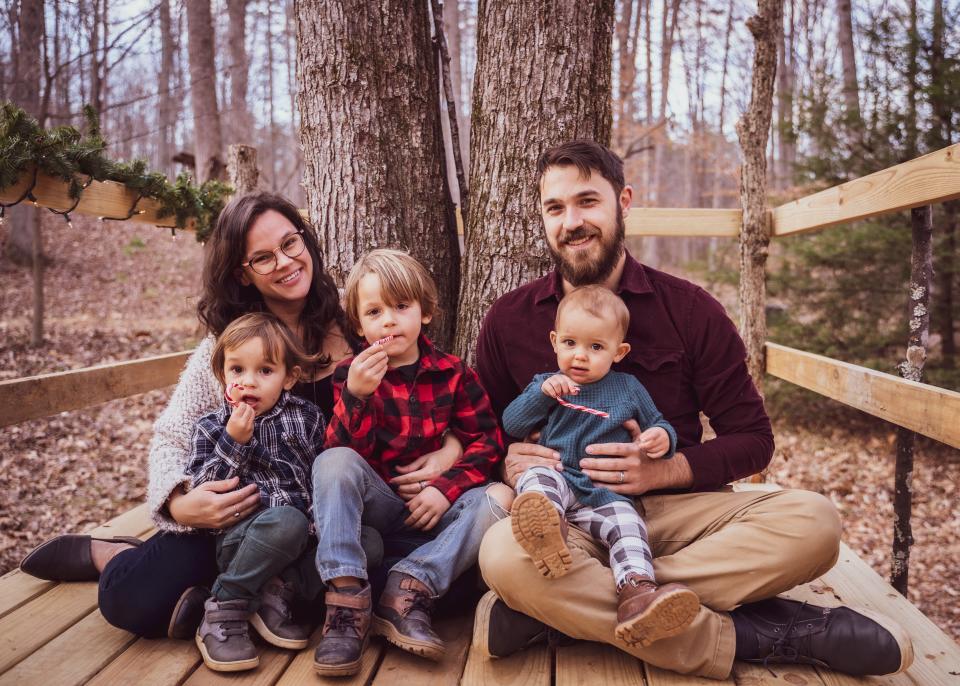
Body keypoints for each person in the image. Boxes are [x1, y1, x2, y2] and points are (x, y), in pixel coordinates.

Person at [472, 140, 914, 679]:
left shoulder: (690, 309)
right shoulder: (509, 319)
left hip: (682, 514)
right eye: (555, 208)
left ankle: (566, 613)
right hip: (571, 515)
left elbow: (753, 438)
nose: (572, 221)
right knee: (502, 554)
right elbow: (480, 430)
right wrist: (506, 461)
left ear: (623, 202)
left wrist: (665, 468)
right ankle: (753, 633)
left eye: (588, 201)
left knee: (815, 523)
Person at [18, 193, 464, 639]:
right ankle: (112, 556)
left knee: (440, 587)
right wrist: (179, 502)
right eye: (263, 258)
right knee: (132, 597)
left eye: (291, 243)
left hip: (347, 519)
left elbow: (434, 381)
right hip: (255, 517)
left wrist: (452, 448)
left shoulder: (362, 313)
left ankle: (245, 597)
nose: (286, 262)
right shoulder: (228, 346)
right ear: (241, 273)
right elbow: (170, 438)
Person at [311, 248, 513, 677]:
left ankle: (410, 586)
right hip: (380, 508)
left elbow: (488, 441)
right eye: (374, 311)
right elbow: (346, 454)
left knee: (500, 496)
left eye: (401, 307)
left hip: (437, 515)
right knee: (333, 462)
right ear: (359, 325)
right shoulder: (352, 375)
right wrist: (358, 396)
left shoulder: (455, 373)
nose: (389, 320)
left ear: (425, 312)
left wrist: (446, 486)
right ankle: (346, 601)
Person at [502, 284, 698, 648]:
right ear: (554, 341)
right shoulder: (546, 384)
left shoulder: (628, 388)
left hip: (603, 496)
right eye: (571, 343)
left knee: (628, 523)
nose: (580, 356)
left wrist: (661, 438)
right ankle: (546, 529)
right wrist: (540, 395)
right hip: (559, 477)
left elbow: (661, 423)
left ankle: (637, 592)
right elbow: (512, 424)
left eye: (596, 347)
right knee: (537, 476)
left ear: (619, 352)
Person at [185, 312, 326, 672]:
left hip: (304, 542)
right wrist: (235, 442)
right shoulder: (210, 427)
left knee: (367, 541)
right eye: (237, 370)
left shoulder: (307, 417)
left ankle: (274, 597)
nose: (249, 382)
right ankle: (224, 605)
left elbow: (319, 476)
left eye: (265, 371)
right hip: (246, 542)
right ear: (222, 376)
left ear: (289, 377)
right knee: (286, 523)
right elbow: (204, 489)